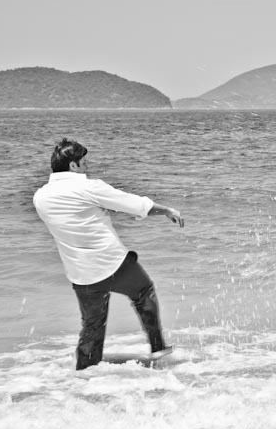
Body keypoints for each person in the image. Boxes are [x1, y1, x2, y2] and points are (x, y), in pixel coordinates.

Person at [33, 138, 184, 370]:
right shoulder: (88, 187)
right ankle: (158, 348)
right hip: (112, 263)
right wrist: (166, 210)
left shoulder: (40, 196)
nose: (87, 167)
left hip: (81, 273)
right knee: (144, 292)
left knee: (92, 325)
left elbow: (77, 217)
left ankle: (84, 373)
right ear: (73, 166)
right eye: (83, 163)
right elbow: (131, 203)